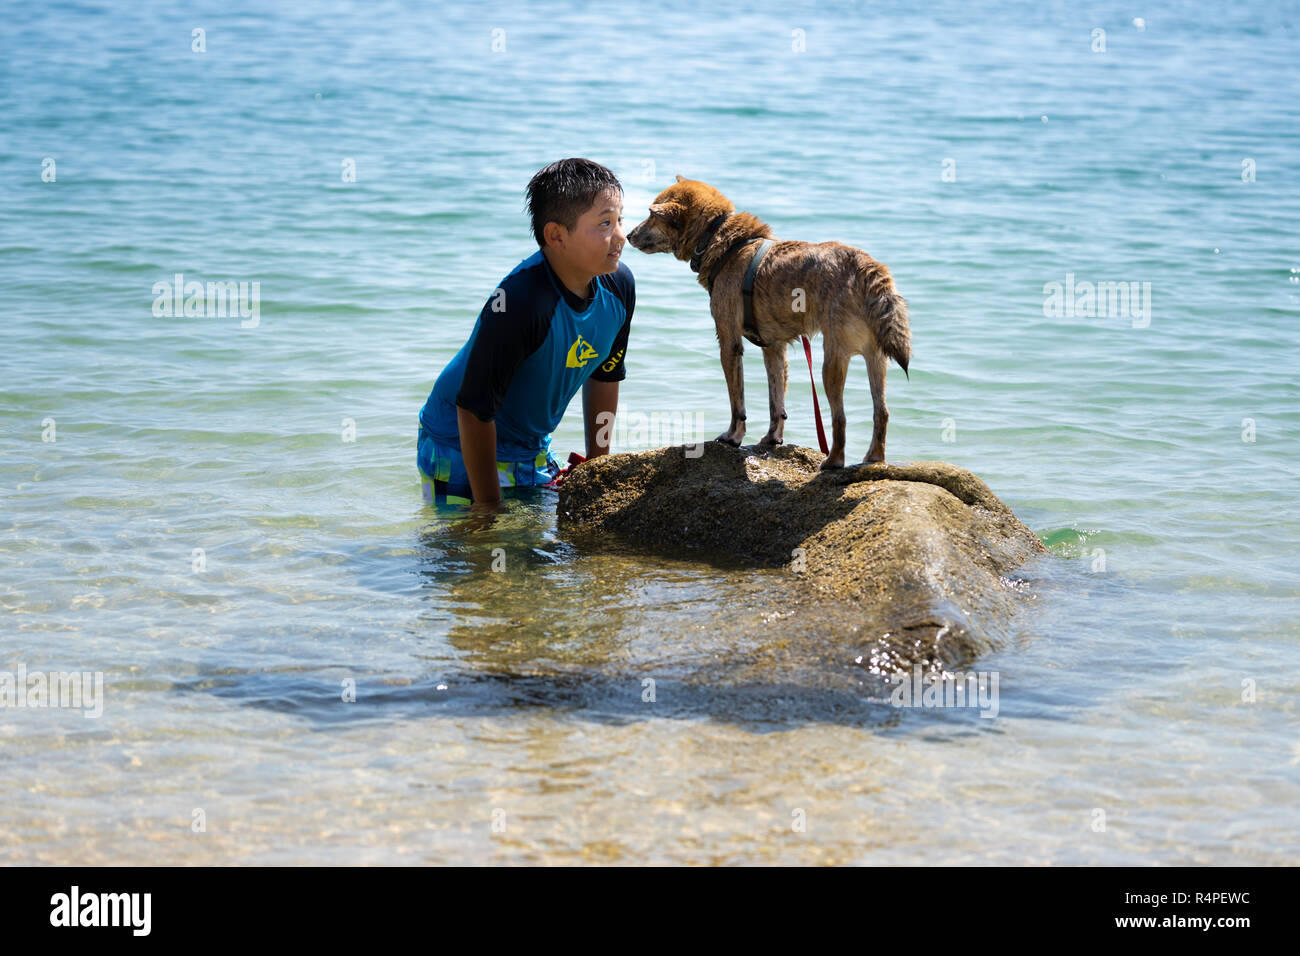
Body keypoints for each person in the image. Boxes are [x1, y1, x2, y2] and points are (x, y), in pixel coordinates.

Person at [417, 158, 633, 509]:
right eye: (605, 223)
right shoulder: (520, 302)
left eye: (620, 219)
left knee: (531, 550)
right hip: (456, 443)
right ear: (556, 236)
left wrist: (598, 466)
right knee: (475, 549)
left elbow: (606, 374)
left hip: (530, 444)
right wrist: (488, 506)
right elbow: (472, 409)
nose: (621, 235)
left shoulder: (619, 287)